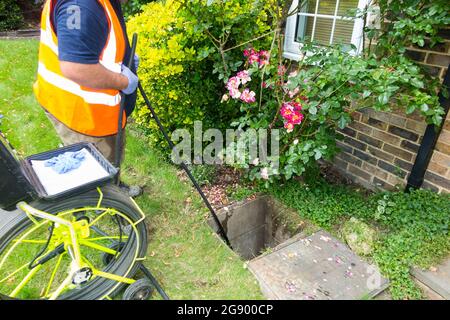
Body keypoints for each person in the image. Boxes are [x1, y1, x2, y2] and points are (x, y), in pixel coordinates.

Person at [33, 0, 141, 196]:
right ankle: (111, 205)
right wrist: (123, 81)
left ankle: (113, 186)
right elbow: (77, 67)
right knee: (97, 167)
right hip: (80, 111)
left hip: (96, 108)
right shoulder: (81, 6)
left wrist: (124, 58)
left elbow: (96, 40)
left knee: (110, 159)